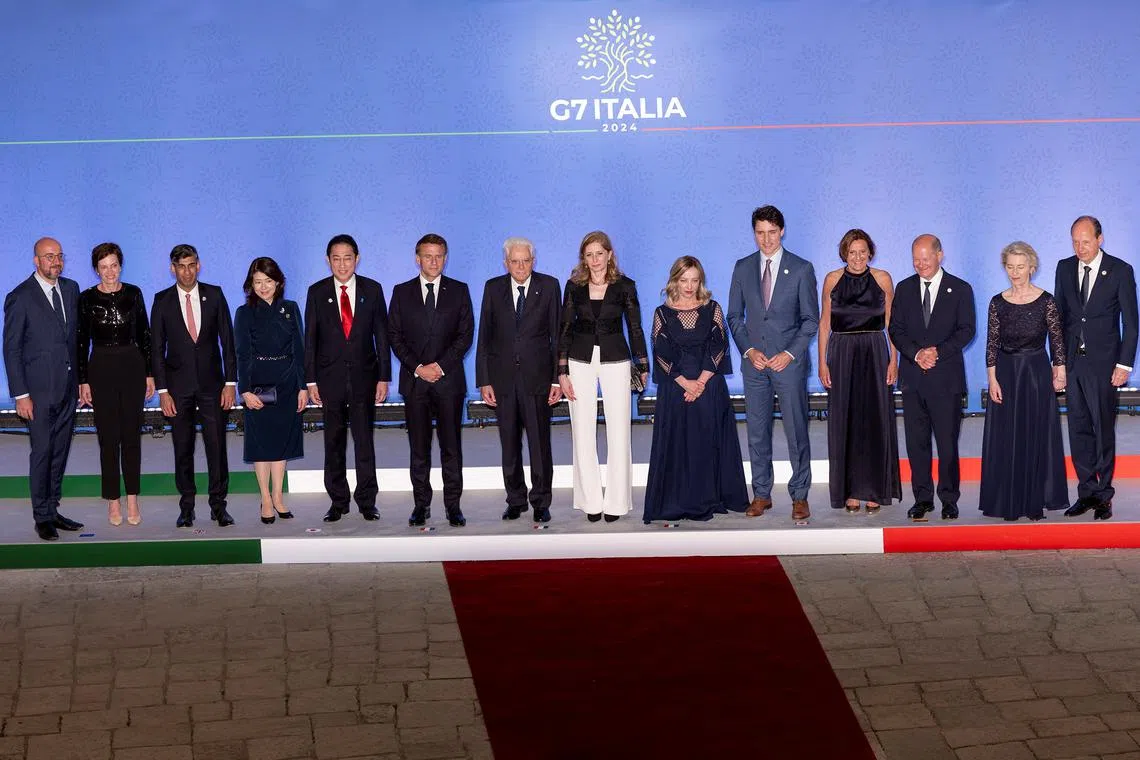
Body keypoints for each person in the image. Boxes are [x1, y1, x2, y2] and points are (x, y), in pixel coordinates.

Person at [727, 206, 819, 524]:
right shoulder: (742, 268)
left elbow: (810, 320)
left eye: (771, 232)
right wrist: (749, 350)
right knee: (756, 432)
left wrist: (789, 354)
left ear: (782, 231)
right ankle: (762, 494)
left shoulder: (802, 268)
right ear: (754, 233)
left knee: (796, 431)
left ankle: (800, 495)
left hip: (788, 366)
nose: (766, 239)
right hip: (754, 366)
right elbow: (734, 317)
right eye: (760, 232)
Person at [643, 256, 748, 523]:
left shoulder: (712, 308)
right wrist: (684, 382)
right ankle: (677, 500)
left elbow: (719, 347)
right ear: (674, 280)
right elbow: (660, 353)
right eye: (684, 280)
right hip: (675, 389)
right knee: (677, 446)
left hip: (709, 387)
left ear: (700, 281)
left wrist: (699, 383)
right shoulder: (661, 313)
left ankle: (708, 498)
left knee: (706, 443)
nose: (689, 286)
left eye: (694, 280)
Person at [557, 230, 648, 523]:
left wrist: (643, 365)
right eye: (589, 254)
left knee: (619, 429)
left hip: (616, 359)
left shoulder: (625, 286)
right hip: (579, 360)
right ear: (583, 258)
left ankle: (617, 502)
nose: (595, 259)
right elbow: (565, 329)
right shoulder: (573, 287)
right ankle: (590, 501)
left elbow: (635, 329)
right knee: (581, 430)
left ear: (609, 254)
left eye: (600, 253)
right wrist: (562, 372)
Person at [388, 233, 475, 528]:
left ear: (445, 258)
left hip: (448, 382)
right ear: (417, 259)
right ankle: (420, 505)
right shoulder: (401, 292)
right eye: (428, 256)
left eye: (439, 255)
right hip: (415, 384)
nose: (434, 261)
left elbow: (465, 336)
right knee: (419, 449)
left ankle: (453, 507)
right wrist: (418, 368)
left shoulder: (460, 291)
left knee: (451, 448)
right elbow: (395, 337)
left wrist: (439, 366)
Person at [303, 234, 391, 523]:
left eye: (348, 257)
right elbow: (311, 340)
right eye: (336, 258)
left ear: (357, 258)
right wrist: (311, 380)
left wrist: (384, 377)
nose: (342, 264)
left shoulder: (373, 289)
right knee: (334, 442)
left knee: (364, 441)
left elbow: (382, 336)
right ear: (328, 260)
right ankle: (338, 501)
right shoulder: (316, 292)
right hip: (329, 380)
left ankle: (367, 501)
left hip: (366, 378)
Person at [889, 234, 976, 521]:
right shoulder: (904, 288)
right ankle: (922, 499)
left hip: (946, 380)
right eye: (916, 259)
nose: (920, 264)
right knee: (917, 443)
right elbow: (896, 330)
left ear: (940, 255)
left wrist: (937, 352)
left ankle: (949, 499)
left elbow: (967, 330)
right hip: (913, 379)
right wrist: (916, 354)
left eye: (926, 258)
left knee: (948, 444)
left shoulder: (960, 289)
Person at [3, 238, 85, 541]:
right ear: (36, 261)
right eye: (49, 257)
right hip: (36, 394)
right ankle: (41, 517)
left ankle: (53, 508)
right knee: (42, 452)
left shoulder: (72, 289)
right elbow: (11, 349)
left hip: (67, 389)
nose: (56, 262)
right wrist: (20, 395)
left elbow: (75, 341)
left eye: (59, 256)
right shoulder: (20, 297)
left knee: (60, 452)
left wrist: (81, 382)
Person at [475, 237, 562, 523]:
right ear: (506, 263)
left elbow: (556, 337)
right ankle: (515, 500)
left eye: (526, 260)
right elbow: (484, 337)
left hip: (537, 380)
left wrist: (556, 380)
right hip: (502, 381)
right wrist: (484, 380)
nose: (521, 266)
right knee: (509, 445)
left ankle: (540, 500)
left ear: (533, 261)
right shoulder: (492, 287)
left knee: (539, 445)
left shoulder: (549, 286)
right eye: (515, 261)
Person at [1056, 216, 1138, 521]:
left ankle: (1105, 496)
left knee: (1103, 429)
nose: (1080, 247)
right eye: (1075, 241)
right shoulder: (1064, 268)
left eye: (1086, 241)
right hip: (1073, 365)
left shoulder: (1120, 270)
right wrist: (1058, 362)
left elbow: (1131, 323)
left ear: (1100, 239)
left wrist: (1124, 363)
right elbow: (1060, 319)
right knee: (1078, 429)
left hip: (1105, 366)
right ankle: (1086, 492)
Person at [979, 241, 1068, 520]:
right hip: (1005, 373)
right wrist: (992, 379)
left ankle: (1034, 499)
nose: (1015, 273)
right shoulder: (997, 302)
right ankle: (1008, 500)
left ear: (1032, 267)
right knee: (1007, 436)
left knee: (1036, 433)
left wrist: (1060, 372)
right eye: (1010, 267)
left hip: (1036, 374)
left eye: (1020, 267)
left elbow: (1057, 342)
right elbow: (991, 345)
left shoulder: (1047, 301)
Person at [151, 244, 238, 528]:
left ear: (198, 265)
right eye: (181, 266)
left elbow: (228, 341)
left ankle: (218, 506)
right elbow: (156, 350)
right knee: (182, 449)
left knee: (217, 448)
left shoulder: (214, 295)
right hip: (177, 390)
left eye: (191, 265)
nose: (186, 271)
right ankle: (186, 507)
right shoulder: (161, 300)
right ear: (172, 268)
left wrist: (230, 382)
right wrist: (163, 392)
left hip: (214, 386)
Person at [818, 230, 901, 514]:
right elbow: (824, 324)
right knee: (846, 420)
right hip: (841, 353)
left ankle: (875, 489)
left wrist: (894, 360)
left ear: (870, 252)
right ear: (844, 253)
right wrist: (822, 362)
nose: (857, 257)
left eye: (862, 251)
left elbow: (892, 323)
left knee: (875, 420)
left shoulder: (883, 279)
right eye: (852, 252)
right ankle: (850, 491)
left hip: (876, 351)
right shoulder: (832, 279)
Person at [76, 243, 155, 526]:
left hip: (132, 365)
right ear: (96, 269)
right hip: (101, 367)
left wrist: (149, 373)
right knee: (108, 438)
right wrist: (82, 380)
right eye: (103, 266)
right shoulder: (86, 299)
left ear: (120, 266)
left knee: (132, 436)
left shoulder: (134, 294)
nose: (109, 271)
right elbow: (81, 341)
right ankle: (113, 500)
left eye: (114, 265)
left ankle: (132, 496)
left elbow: (145, 335)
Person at [235, 258, 307, 523]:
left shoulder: (291, 308)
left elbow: (300, 350)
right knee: (261, 443)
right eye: (257, 282)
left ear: (278, 282)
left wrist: (302, 386)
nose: (263, 287)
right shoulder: (244, 313)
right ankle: (265, 498)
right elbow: (241, 354)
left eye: (268, 281)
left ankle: (278, 496)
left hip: (288, 383)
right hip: (258, 385)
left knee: (282, 443)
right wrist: (245, 390)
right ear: (250, 284)